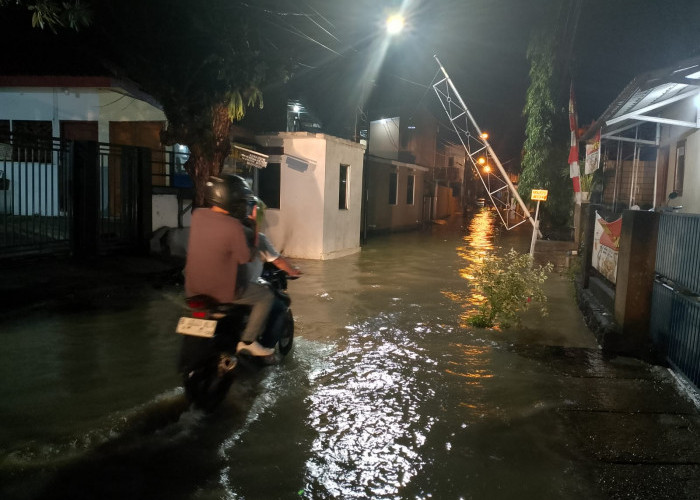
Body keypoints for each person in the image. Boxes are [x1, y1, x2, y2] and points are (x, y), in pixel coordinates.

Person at [184, 175, 275, 357]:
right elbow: (246, 258)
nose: (242, 205)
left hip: (193, 290)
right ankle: (248, 341)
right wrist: (256, 226)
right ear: (230, 199)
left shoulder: (198, 215)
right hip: (222, 292)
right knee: (266, 296)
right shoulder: (233, 226)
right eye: (240, 200)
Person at [242, 198, 302, 348]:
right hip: (239, 289)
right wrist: (293, 271)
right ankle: (262, 347)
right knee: (279, 305)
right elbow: (278, 261)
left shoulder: (225, 233)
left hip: (210, 290)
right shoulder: (256, 237)